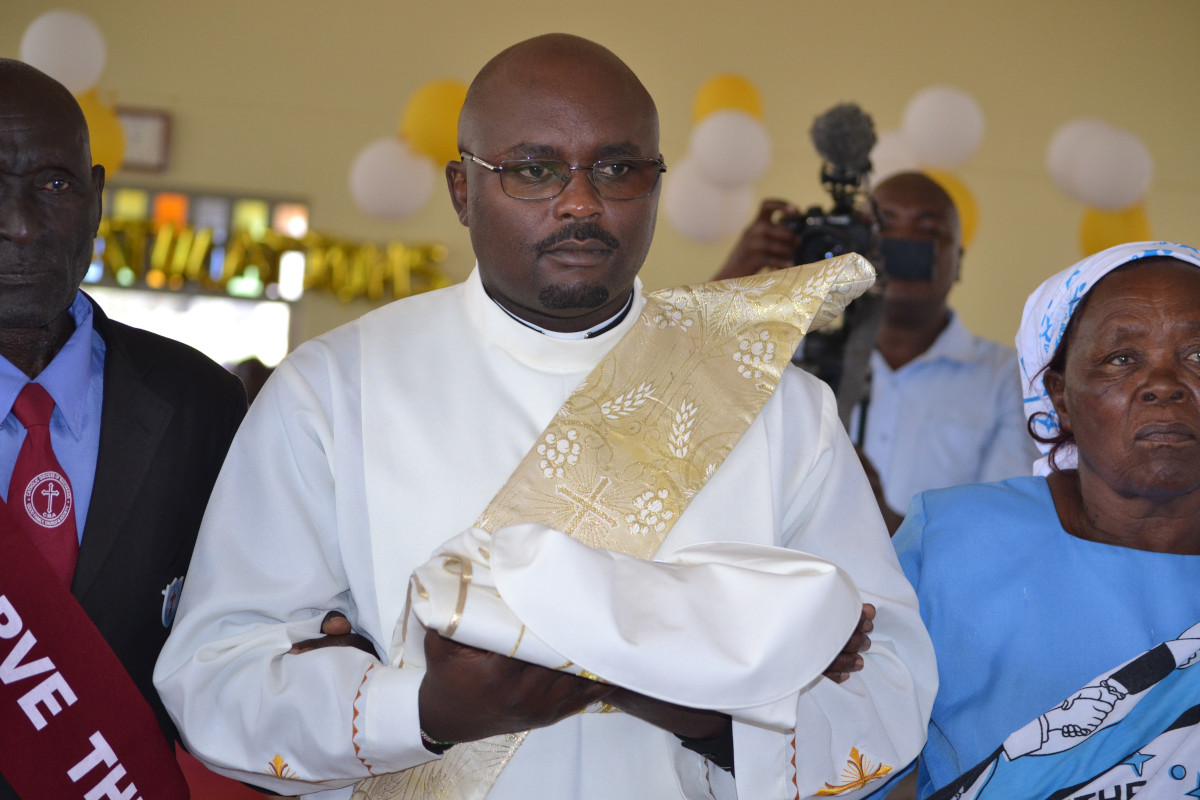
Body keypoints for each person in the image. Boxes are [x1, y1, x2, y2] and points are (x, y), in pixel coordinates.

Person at [154, 34, 935, 800]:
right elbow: (216, 679)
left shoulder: (779, 408)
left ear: (657, 183)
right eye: (533, 170)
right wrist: (422, 711)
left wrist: (715, 719)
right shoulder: (333, 390)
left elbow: (888, 687)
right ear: (462, 190)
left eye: (619, 169)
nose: (581, 202)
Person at [0, 59, 248, 799]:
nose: (19, 224)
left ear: (97, 199)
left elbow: (240, 638)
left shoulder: (202, 403)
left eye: (53, 184)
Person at [890, 241, 1200, 798]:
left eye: (1199, 355)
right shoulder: (953, 537)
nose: (1164, 384)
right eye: (1122, 359)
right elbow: (842, 756)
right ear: (1059, 396)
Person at [716, 174, 1038, 532]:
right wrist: (737, 274)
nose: (903, 243)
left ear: (958, 261)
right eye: (882, 228)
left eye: (928, 231)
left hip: (924, 572)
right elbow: (688, 389)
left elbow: (1004, 530)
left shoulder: (1007, 378)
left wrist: (887, 527)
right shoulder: (789, 350)